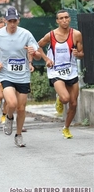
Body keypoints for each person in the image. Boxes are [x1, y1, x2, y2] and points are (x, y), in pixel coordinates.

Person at [0, 7, 38, 147]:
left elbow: (36, 51)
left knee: (21, 108)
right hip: (6, 74)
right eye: (10, 21)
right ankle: (9, 118)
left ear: (18, 20)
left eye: (15, 21)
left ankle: (19, 134)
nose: (12, 24)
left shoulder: (26, 34)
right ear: (5, 21)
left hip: (23, 75)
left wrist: (33, 53)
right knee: (12, 103)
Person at [37, 10, 84, 139]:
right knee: (65, 99)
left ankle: (66, 128)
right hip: (55, 71)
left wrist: (77, 54)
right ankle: (59, 98)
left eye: (66, 18)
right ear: (57, 21)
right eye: (61, 18)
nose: (64, 20)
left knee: (73, 104)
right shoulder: (51, 35)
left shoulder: (76, 34)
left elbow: (81, 53)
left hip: (71, 71)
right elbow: (37, 46)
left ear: (69, 19)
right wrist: (47, 59)